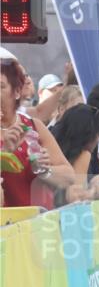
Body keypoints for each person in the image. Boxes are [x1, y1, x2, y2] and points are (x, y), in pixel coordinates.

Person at [1, 55, 75, 208]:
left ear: (17, 92)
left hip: (38, 223)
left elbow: (69, 176)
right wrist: (5, 152)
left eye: (0, 86)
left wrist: (44, 170)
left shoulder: (34, 126)